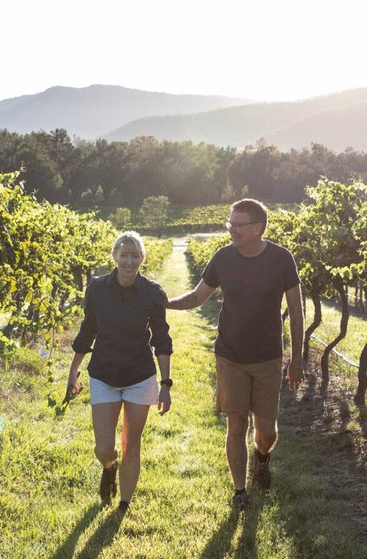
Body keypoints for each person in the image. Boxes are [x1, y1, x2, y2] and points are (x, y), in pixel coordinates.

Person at [167, 199, 303, 510]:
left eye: (238, 224)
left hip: (269, 356)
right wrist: (164, 303)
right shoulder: (223, 258)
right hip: (229, 355)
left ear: (257, 228)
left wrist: (296, 360)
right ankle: (240, 492)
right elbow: (198, 297)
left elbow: (295, 311)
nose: (231, 228)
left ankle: (262, 456)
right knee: (236, 423)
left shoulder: (282, 259)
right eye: (230, 222)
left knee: (266, 431)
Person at [67, 231, 173, 511]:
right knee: (104, 447)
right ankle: (108, 466)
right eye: (123, 255)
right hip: (104, 374)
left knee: (131, 443)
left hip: (140, 375)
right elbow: (87, 330)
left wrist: (166, 383)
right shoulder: (97, 288)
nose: (129, 261)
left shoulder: (152, 293)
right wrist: (73, 371)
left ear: (142, 258)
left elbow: (162, 339)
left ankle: (124, 504)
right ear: (114, 256)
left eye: (134, 255)